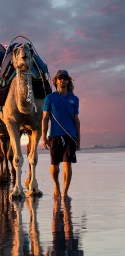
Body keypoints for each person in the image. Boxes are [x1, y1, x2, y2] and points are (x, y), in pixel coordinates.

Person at [41, 70, 80, 200]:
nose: (62, 80)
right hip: (55, 136)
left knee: (67, 164)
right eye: (60, 78)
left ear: (68, 81)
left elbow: (76, 120)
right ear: (56, 81)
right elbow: (45, 118)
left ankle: (65, 192)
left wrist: (78, 140)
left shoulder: (74, 99)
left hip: (70, 136)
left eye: (64, 78)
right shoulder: (50, 98)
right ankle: (56, 185)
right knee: (54, 165)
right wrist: (43, 137)